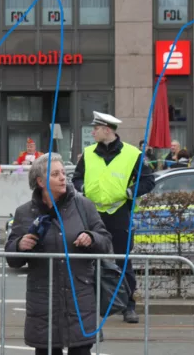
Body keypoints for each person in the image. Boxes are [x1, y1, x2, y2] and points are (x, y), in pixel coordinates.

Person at [5, 153, 112, 355]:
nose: (63, 177)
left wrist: (91, 237)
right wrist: (20, 245)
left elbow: (105, 241)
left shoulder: (83, 206)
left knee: (80, 350)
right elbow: (12, 259)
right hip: (44, 301)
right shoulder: (25, 212)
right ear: (40, 181)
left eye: (63, 173)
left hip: (79, 296)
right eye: (55, 174)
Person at [71, 111, 155, 324]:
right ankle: (88, 304)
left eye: (96, 129)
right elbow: (77, 178)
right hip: (92, 214)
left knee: (123, 261)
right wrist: (83, 189)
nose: (92, 132)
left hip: (119, 213)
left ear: (107, 130)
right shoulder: (88, 153)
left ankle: (129, 306)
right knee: (86, 261)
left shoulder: (132, 154)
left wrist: (129, 193)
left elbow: (148, 181)